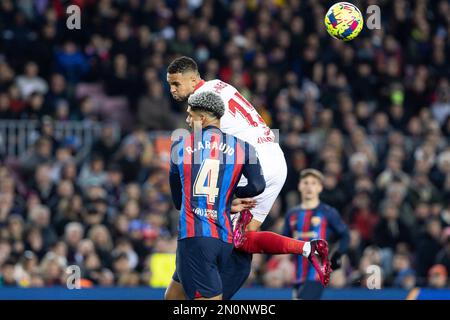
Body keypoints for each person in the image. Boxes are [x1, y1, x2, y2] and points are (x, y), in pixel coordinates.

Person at [165, 56, 331, 299]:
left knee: (220, 227)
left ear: (193, 80)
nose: (172, 90)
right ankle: (308, 248)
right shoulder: (220, 85)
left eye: (176, 84)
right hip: (274, 157)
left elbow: (205, 154)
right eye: (169, 84)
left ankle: (214, 289)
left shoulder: (200, 104)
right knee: (243, 238)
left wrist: (224, 197)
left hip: (252, 162)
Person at [167, 91, 265, 300]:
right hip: (224, 239)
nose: (187, 120)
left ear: (202, 118)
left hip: (194, 238)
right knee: (173, 297)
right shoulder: (245, 147)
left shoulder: (179, 146)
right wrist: (227, 196)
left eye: (190, 115)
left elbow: (177, 201)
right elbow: (258, 185)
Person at [283, 169, 350, 300]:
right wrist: (284, 262)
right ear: (299, 186)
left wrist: (337, 255)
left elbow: (345, 235)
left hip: (317, 272)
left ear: (320, 187)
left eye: (314, 183)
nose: (309, 186)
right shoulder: (292, 214)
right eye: (306, 182)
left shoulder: (328, 212)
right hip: (297, 273)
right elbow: (283, 241)